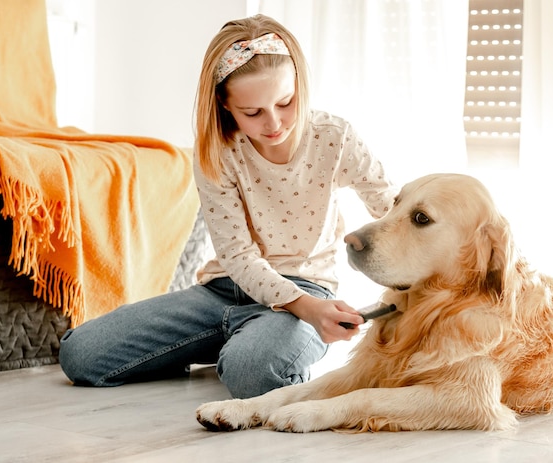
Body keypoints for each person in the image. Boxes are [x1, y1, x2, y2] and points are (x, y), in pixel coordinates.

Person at [59, 14, 396, 399]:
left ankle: (250, 349)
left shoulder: (334, 137)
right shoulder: (217, 152)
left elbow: (390, 208)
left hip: (304, 290)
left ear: (300, 84)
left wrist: (311, 308)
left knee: (252, 374)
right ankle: (237, 343)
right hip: (223, 290)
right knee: (80, 355)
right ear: (225, 105)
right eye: (253, 113)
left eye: (286, 102)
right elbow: (237, 254)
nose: (274, 123)